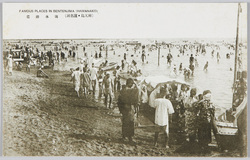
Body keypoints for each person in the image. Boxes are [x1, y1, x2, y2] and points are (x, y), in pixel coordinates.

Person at [118, 78, 139, 144]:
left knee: (124, 122)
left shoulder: (122, 90)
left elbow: (119, 101)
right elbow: (137, 91)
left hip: (124, 108)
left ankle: (124, 136)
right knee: (130, 123)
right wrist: (136, 84)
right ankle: (130, 138)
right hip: (130, 108)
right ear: (130, 84)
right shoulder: (132, 91)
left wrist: (121, 110)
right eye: (132, 84)